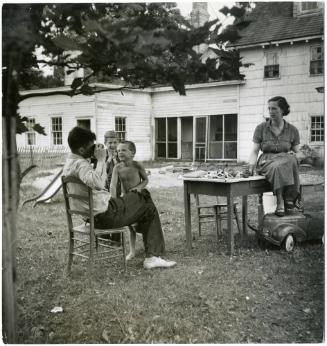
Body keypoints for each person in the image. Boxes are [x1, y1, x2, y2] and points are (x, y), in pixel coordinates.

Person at [63, 126, 176, 269]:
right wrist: (102, 159)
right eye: (91, 147)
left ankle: (149, 247)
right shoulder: (81, 165)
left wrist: (95, 160)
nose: (94, 150)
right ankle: (152, 256)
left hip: (91, 217)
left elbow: (96, 179)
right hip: (105, 216)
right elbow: (98, 183)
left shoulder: (70, 163)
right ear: (81, 150)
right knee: (146, 198)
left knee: (144, 203)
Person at [248, 96, 302, 217]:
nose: (271, 112)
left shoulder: (292, 130)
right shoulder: (261, 128)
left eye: (274, 109)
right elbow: (255, 150)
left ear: (282, 110)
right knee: (278, 165)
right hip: (266, 162)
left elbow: (297, 151)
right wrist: (251, 165)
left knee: (290, 159)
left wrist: (296, 154)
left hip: (285, 160)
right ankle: (281, 200)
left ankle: (288, 198)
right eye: (269, 109)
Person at [110, 140, 149, 261]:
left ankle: (150, 248)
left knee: (143, 225)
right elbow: (112, 185)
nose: (120, 152)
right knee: (130, 227)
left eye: (123, 150)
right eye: (118, 151)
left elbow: (146, 180)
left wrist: (138, 187)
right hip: (126, 198)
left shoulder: (137, 165)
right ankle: (132, 252)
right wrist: (114, 200)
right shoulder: (117, 167)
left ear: (132, 153)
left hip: (138, 198)